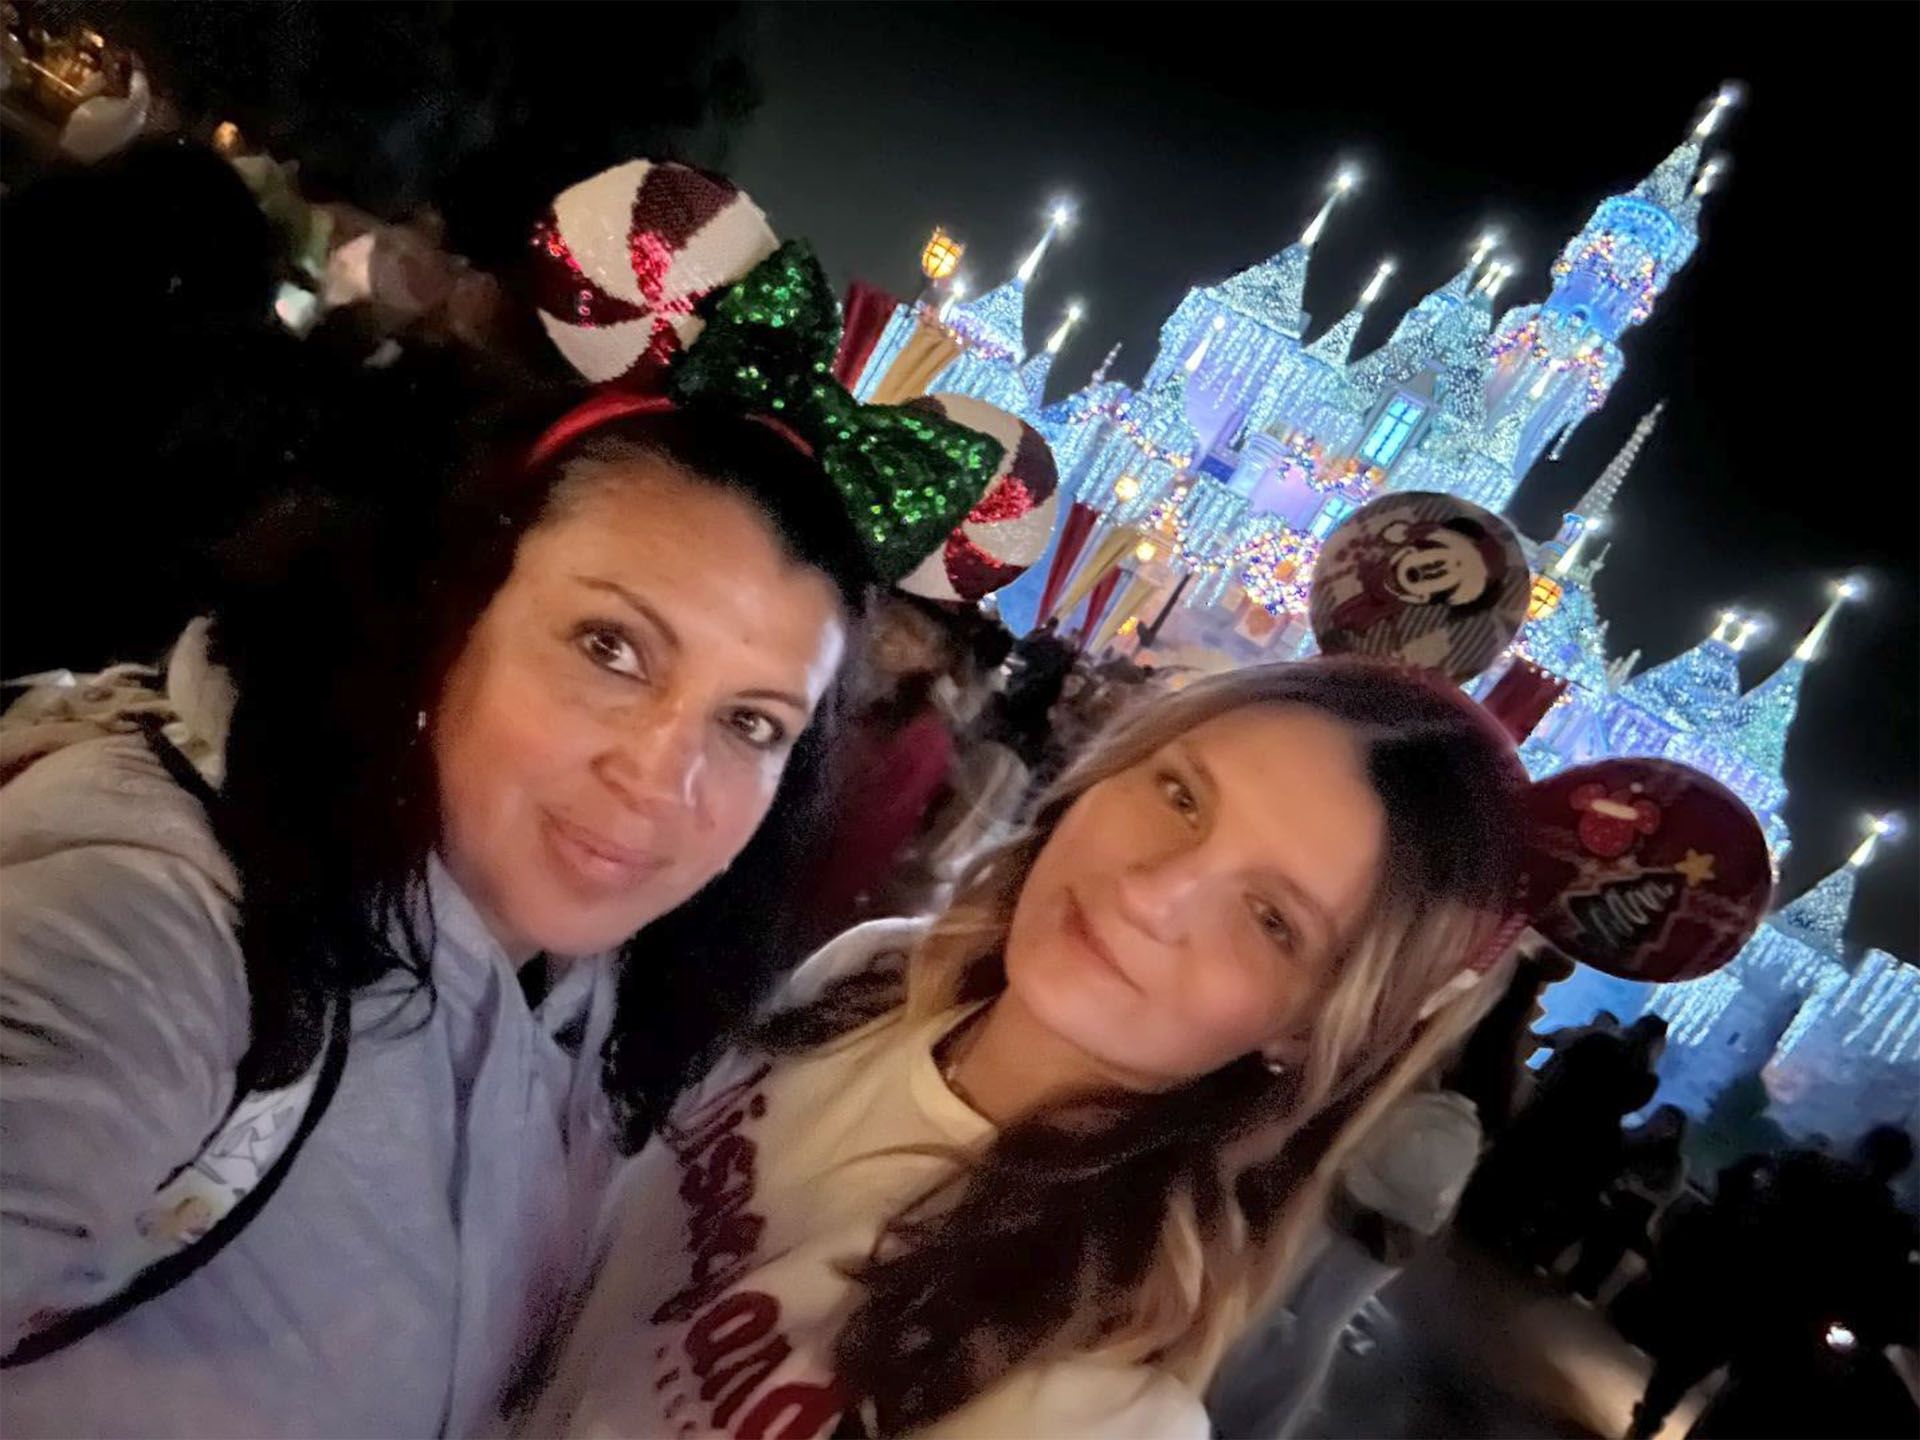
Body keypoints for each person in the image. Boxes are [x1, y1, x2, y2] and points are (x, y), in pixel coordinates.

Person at [0, 395, 876, 1437]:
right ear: (452, 606)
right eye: (611, 648)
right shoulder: (170, 912)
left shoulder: (610, 1009)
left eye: (749, 723)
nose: (660, 778)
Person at [518, 657, 1530, 1438]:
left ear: (1311, 1028)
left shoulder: (1090, 1404)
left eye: (1271, 918)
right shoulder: (876, 979)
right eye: (1180, 795)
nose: (1151, 891)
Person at [1206, 1085, 1486, 1439]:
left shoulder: (1423, 1082)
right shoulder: (1480, 1107)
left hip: (1349, 1199)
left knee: (1275, 1301)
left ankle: (1224, 1402)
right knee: (1319, 1329)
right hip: (1397, 1230)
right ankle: (1264, 1425)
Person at [1626, 1126, 1920, 1440]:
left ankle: (1648, 1420)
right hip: (1799, 1323)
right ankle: (1654, 1420)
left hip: (1749, 1287)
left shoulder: (1807, 1167)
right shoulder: (1892, 1223)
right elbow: (1882, 1285)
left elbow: (1738, 1183)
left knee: (1689, 1364)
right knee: (1742, 1398)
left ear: (1862, 1145)